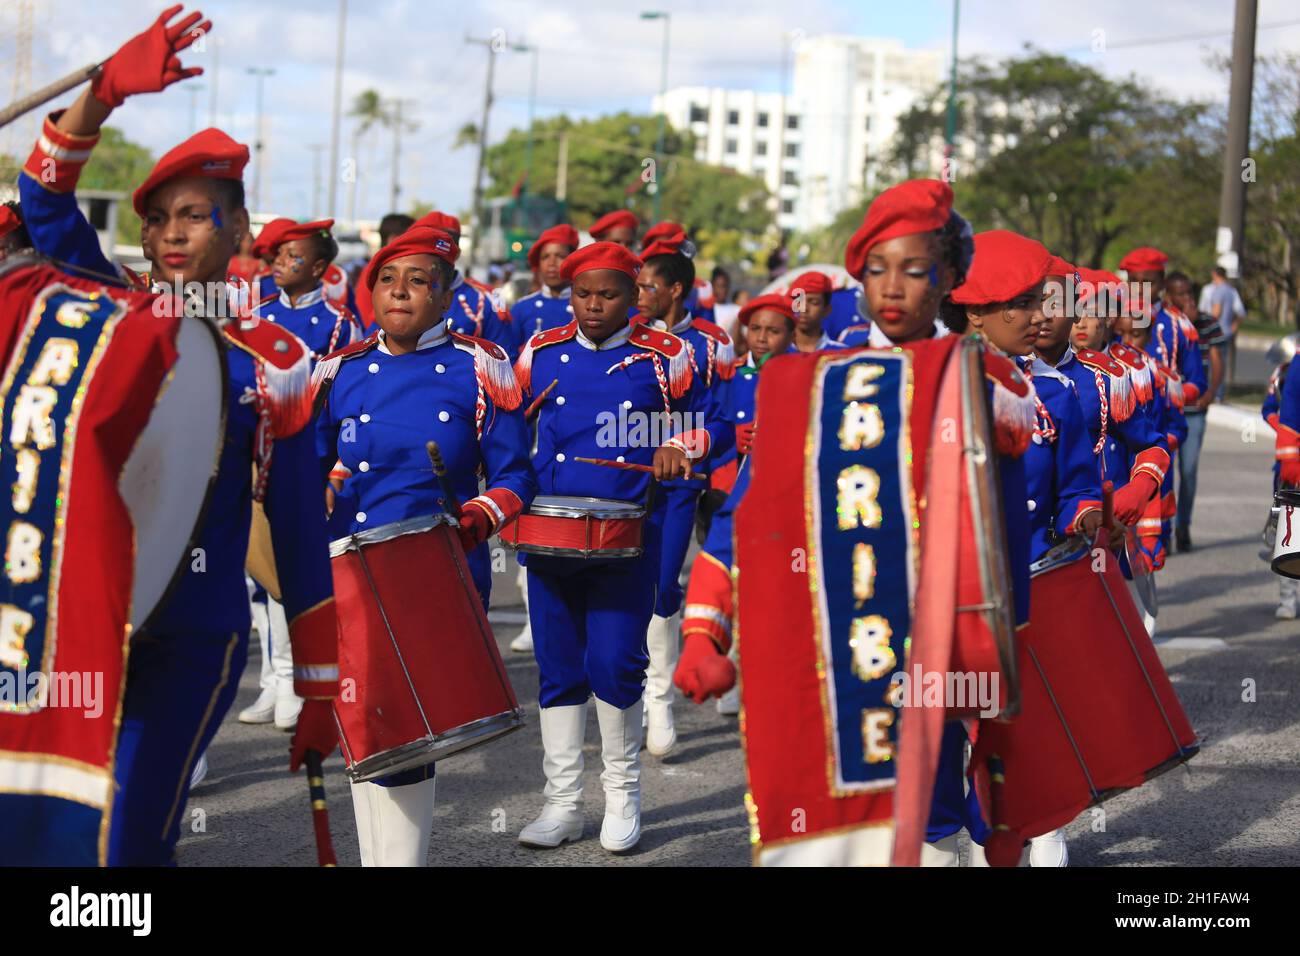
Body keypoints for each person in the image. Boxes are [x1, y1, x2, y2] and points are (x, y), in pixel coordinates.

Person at [16, 4, 338, 864]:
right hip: (77, 626)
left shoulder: (279, 362)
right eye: (158, 218)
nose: (169, 234)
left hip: (193, 634)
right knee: (54, 837)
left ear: (238, 229)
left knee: (124, 843)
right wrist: (106, 94)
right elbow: (43, 199)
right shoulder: (113, 312)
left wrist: (318, 689)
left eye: (194, 215)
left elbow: (301, 532)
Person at [313, 224, 535, 865]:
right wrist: (316, 489)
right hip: (351, 566)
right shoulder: (340, 371)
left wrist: (479, 515)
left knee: (412, 730)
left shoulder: (478, 365)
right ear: (369, 292)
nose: (400, 292)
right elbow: (314, 462)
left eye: (419, 281)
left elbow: (517, 474)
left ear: (446, 296)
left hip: (438, 566)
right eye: (387, 279)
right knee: (362, 725)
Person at [513, 242, 711, 852]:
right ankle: (563, 803)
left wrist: (685, 446)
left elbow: (709, 420)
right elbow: (509, 427)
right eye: (583, 294)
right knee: (558, 666)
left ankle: (623, 796)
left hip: (629, 535)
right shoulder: (539, 352)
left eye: (609, 294)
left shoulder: (667, 355)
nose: (594, 305)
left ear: (635, 296)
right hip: (551, 534)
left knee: (615, 663)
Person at [953, 231, 1104, 868]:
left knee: (1034, 725)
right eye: (1024, 303)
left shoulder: (1065, 391)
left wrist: (1090, 516)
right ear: (977, 311)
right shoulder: (939, 384)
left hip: (1037, 577)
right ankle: (959, 838)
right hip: (958, 591)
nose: (1040, 316)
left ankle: (1046, 831)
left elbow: (1076, 483)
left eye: (1044, 302)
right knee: (959, 729)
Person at [634, 230, 735, 754]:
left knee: (662, 584)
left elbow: (719, 417)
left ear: (675, 290)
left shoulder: (713, 341)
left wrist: (681, 446)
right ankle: (625, 694)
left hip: (680, 481)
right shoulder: (627, 333)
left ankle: (659, 699)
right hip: (623, 477)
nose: (639, 293)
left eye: (648, 285)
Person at [1166, 271, 1225, 551]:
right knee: (1163, 473)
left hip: (1194, 410)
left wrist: (1211, 393)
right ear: (1169, 296)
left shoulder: (1207, 323)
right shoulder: (1162, 323)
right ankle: (1162, 528)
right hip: (1166, 411)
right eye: (1181, 294)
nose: (1187, 298)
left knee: (1188, 471)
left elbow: (1216, 360)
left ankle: (1183, 525)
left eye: (1190, 292)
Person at [413, 210, 516, 352]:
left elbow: (505, 359)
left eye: (443, 248)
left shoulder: (485, 300)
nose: (434, 258)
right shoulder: (399, 293)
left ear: (457, 253)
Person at [260, 218, 361, 360]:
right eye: (278, 253)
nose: (278, 261)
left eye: (291, 255)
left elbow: (348, 378)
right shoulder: (258, 313)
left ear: (317, 268)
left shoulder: (340, 323)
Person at [1262, 346, 1298, 617]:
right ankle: (1288, 598)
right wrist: (1290, 457)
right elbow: (1278, 411)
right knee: (1291, 535)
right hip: (1294, 466)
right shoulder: (1289, 369)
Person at [509, 223, 578, 349]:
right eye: (545, 257)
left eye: (560, 256)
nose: (551, 263)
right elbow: (509, 356)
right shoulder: (522, 308)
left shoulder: (586, 308)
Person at [1200, 265, 1246, 399]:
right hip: (1226, 332)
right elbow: (1241, 313)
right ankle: (1219, 393)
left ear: (1215, 275)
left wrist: (1207, 324)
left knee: (1211, 363)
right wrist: (1234, 326)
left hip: (1215, 332)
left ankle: (1211, 392)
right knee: (1222, 363)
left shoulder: (1217, 291)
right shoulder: (1232, 291)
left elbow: (1216, 311)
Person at [789, 270, 847, 352]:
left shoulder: (841, 354)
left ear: (827, 310)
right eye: (798, 301)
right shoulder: (778, 353)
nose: (804, 308)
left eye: (814, 302)